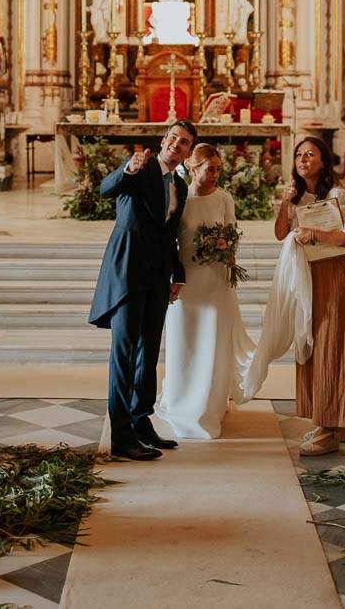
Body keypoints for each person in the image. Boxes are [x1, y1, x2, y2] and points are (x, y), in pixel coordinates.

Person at [89, 120, 197, 460]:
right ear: (163, 140)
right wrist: (127, 170)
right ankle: (121, 435)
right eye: (173, 138)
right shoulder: (141, 166)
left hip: (157, 277)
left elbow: (169, 235)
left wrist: (175, 274)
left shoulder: (179, 184)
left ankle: (140, 419)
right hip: (127, 271)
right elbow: (105, 190)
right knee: (124, 353)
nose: (176, 145)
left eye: (184, 143)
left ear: (188, 153)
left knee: (149, 352)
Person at [274, 137, 345, 455]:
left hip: (332, 272)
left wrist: (316, 234)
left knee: (330, 343)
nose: (303, 159)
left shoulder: (336, 194)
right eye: (299, 154)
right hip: (306, 275)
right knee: (309, 340)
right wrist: (286, 202)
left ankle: (329, 424)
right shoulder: (298, 195)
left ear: (323, 160)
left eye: (310, 154)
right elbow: (281, 233)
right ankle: (331, 422)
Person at [158, 144, 254, 438]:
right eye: (209, 169)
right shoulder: (180, 197)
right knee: (186, 340)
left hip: (216, 279)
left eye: (218, 169)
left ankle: (211, 404)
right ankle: (181, 399)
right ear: (192, 168)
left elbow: (231, 231)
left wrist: (227, 251)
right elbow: (169, 239)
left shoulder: (224, 197)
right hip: (187, 279)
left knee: (213, 341)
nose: (214, 175)